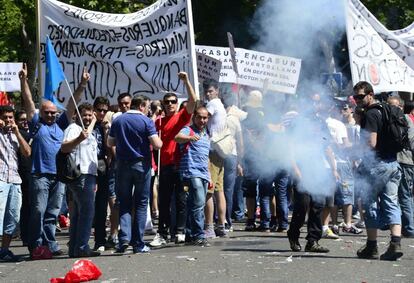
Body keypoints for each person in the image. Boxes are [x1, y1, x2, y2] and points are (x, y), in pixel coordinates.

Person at [19, 63, 90, 259]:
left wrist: (83, 84)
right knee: (38, 211)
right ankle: (35, 245)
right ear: (41, 113)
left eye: (53, 112)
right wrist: (23, 80)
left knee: (52, 213)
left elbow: (71, 105)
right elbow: (28, 102)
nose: (50, 115)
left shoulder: (60, 124)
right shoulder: (36, 125)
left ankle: (49, 244)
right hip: (40, 175)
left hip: (59, 176)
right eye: (47, 112)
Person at [354, 81, 403, 261]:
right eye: (355, 97)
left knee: (369, 203)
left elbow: (371, 143)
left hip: (376, 165)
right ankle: (395, 244)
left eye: (360, 96)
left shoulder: (371, 114)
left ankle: (372, 245)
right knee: (391, 202)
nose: (357, 100)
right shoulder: (385, 109)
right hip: (392, 163)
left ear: (370, 94)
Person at [108, 95, 162, 253]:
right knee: (140, 203)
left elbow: (110, 142)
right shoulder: (146, 121)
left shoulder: (118, 120)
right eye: (147, 107)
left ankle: (124, 238)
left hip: (123, 165)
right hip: (141, 164)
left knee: (124, 202)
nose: (147, 110)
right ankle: (138, 243)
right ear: (142, 106)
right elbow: (157, 144)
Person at [150, 72, 197, 247]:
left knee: (181, 199)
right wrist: (155, 115)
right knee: (163, 200)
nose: (170, 104)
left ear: (177, 104)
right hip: (165, 165)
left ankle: (179, 231)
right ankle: (162, 232)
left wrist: (186, 82)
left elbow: (193, 100)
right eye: (167, 102)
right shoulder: (159, 122)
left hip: (181, 164)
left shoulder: (182, 116)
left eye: (173, 102)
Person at [61, 103, 99, 258]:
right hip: (80, 175)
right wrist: (78, 139)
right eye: (85, 115)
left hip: (89, 175)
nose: (88, 118)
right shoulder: (73, 129)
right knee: (87, 212)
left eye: (90, 115)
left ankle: (75, 248)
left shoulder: (87, 130)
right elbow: (64, 148)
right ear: (77, 115)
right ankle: (82, 247)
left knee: (78, 214)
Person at [175, 106, 211, 247]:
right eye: (199, 117)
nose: (202, 120)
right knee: (199, 203)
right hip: (190, 172)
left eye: (205, 117)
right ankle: (199, 235)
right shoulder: (188, 129)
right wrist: (190, 137)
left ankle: (190, 233)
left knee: (193, 204)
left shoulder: (206, 134)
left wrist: (209, 176)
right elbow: (177, 138)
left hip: (203, 173)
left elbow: (206, 157)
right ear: (194, 117)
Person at [0, 106, 31, 262]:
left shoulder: (16, 135)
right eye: (5, 117)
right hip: (0, 180)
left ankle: (4, 250)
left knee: (12, 218)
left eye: (11, 117)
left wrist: (17, 132)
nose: (8, 120)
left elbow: (27, 152)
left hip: (15, 180)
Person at [203, 79, 228, 238]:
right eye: (206, 91)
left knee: (209, 190)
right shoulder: (221, 105)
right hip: (221, 149)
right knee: (219, 189)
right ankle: (221, 225)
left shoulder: (212, 104)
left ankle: (210, 227)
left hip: (212, 150)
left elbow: (203, 116)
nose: (208, 94)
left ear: (217, 91)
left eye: (211, 91)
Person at [387, 97, 414, 238]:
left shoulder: (404, 120)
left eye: (395, 106)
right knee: (396, 196)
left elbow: (411, 140)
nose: (392, 108)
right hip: (397, 161)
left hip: (405, 161)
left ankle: (409, 228)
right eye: (389, 105)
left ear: (402, 107)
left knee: (405, 195)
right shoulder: (391, 119)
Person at [91, 96, 111, 251]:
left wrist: (105, 130)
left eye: (105, 110)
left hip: (101, 164)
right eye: (99, 110)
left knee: (101, 206)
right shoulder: (87, 123)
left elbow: (108, 147)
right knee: (84, 206)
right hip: (86, 167)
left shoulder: (105, 126)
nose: (102, 113)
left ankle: (100, 241)